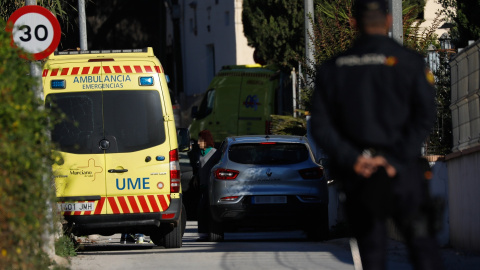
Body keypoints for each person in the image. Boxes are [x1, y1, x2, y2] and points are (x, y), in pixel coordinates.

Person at [310, 0, 444, 269]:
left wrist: (354, 159)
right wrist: (395, 159)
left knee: (372, 254)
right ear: (388, 21)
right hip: (403, 172)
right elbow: (425, 116)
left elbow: (321, 126)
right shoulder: (410, 63)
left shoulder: (333, 69)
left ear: (353, 23)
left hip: (360, 176)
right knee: (423, 251)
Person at [195, 130, 220, 240]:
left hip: (211, 187)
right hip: (202, 186)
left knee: (206, 210)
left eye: (200, 140)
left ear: (206, 141)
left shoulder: (215, 153)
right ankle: (203, 233)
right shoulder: (200, 153)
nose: (198, 142)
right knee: (201, 210)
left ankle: (208, 233)